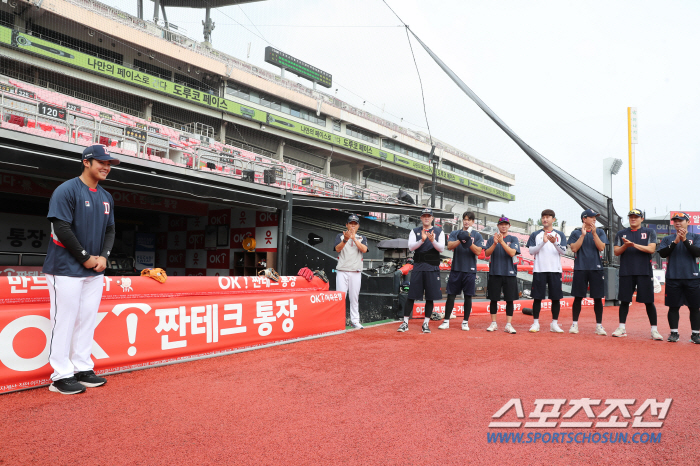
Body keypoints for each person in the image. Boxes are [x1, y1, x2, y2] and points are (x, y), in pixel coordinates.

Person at [43, 144, 118, 394]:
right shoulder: (66, 190)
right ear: (86, 162)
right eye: (102, 162)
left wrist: (104, 257)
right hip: (65, 267)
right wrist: (86, 257)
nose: (106, 167)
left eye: (109, 163)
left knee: (86, 319)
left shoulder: (106, 196)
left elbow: (110, 230)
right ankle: (60, 375)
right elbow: (61, 228)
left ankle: (83, 367)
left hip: (94, 270)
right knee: (64, 320)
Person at [612, 209, 663, 340]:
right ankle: (621, 328)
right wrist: (626, 246)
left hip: (644, 272)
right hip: (626, 271)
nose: (633, 219)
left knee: (649, 302)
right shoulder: (621, 233)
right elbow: (616, 252)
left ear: (642, 219)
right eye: (631, 217)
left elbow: (651, 249)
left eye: (636, 217)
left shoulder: (649, 232)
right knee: (624, 301)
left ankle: (654, 330)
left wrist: (633, 245)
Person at [397, 208, 445, 333]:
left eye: (429, 216)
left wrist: (432, 240)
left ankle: (425, 324)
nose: (426, 218)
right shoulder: (415, 231)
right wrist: (422, 240)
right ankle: (405, 323)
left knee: (430, 297)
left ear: (433, 218)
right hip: (418, 268)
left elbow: (441, 249)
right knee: (411, 296)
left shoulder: (439, 231)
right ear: (421, 218)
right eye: (424, 216)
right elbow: (411, 247)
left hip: (432, 269)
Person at [656, 212, 700, 343]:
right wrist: (675, 241)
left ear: (688, 222)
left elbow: (697, 252)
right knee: (673, 307)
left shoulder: (695, 237)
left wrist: (684, 240)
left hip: (692, 277)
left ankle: (695, 334)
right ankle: (674, 333)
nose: (677, 222)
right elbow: (663, 254)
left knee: (694, 307)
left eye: (680, 220)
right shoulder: (667, 239)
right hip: (673, 277)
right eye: (675, 220)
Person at [439, 211, 484, 330]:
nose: (466, 221)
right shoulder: (455, 233)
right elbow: (449, 246)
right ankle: (446, 320)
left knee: (468, 296)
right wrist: (461, 239)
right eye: (465, 219)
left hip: (470, 270)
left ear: (473, 222)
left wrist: (468, 240)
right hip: (456, 268)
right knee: (451, 295)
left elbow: (478, 252)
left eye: (469, 219)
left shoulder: (477, 235)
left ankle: (465, 322)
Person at [567, 208, 609, 335]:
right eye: (592, 217)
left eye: (595, 217)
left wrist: (594, 234)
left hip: (596, 268)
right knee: (578, 298)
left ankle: (599, 326)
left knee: (597, 298)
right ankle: (574, 324)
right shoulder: (576, 233)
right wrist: (583, 235)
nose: (594, 219)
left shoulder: (600, 232)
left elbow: (601, 247)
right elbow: (574, 248)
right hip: (580, 268)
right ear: (584, 219)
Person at [526, 209, 567, 333]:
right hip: (539, 270)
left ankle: (554, 324)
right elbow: (531, 251)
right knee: (537, 298)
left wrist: (554, 243)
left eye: (548, 217)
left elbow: (563, 251)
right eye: (543, 217)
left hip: (555, 270)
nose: (545, 219)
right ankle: (535, 323)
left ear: (553, 219)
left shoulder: (559, 234)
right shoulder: (535, 234)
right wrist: (543, 243)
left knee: (555, 298)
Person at [483, 217, 521, 333]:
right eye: (501, 224)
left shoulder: (513, 238)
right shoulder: (491, 239)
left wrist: (502, 242)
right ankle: (493, 323)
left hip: (509, 273)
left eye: (505, 224)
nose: (503, 226)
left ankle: (508, 325)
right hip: (495, 272)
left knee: (509, 300)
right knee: (493, 299)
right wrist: (495, 243)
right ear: (498, 226)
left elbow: (512, 253)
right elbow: (486, 254)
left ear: (509, 226)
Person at [334, 214, 368, 329]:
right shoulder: (340, 236)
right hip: (342, 271)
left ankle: (355, 321)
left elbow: (364, 249)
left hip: (356, 271)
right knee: (340, 297)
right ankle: (338, 321)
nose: (353, 226)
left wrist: (354, 239)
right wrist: (346, 239)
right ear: (346, 225)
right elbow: (337, 249)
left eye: (355, 224)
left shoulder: (362, 237)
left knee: (354, 298)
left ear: (358, 226)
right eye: (351, 223)